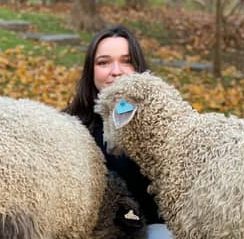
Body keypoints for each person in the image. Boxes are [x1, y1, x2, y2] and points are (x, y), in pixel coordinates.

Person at [64, 25, 172, 239]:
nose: (116, 71)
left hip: (150, 230)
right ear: (91, 71)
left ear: (138, 68)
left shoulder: (165, 126)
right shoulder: (68, 128)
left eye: (126, 61)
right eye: (104, 62)